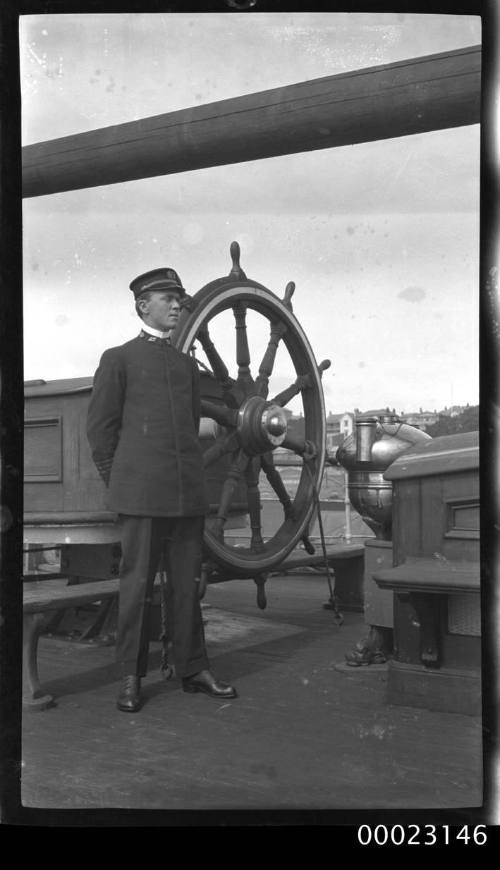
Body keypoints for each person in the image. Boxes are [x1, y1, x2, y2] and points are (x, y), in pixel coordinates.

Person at [87, 267, 237, 712]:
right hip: (140, 496)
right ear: (142, 305)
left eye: (178, 298)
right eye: (167, 298)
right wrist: (121, 483)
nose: (176, 305)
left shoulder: (186, 365)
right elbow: (100, 431)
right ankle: (131, 677)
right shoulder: (118, 358)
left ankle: (192, 667)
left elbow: (188, 428)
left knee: (187, 586)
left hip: (185, 495)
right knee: (136, 586)